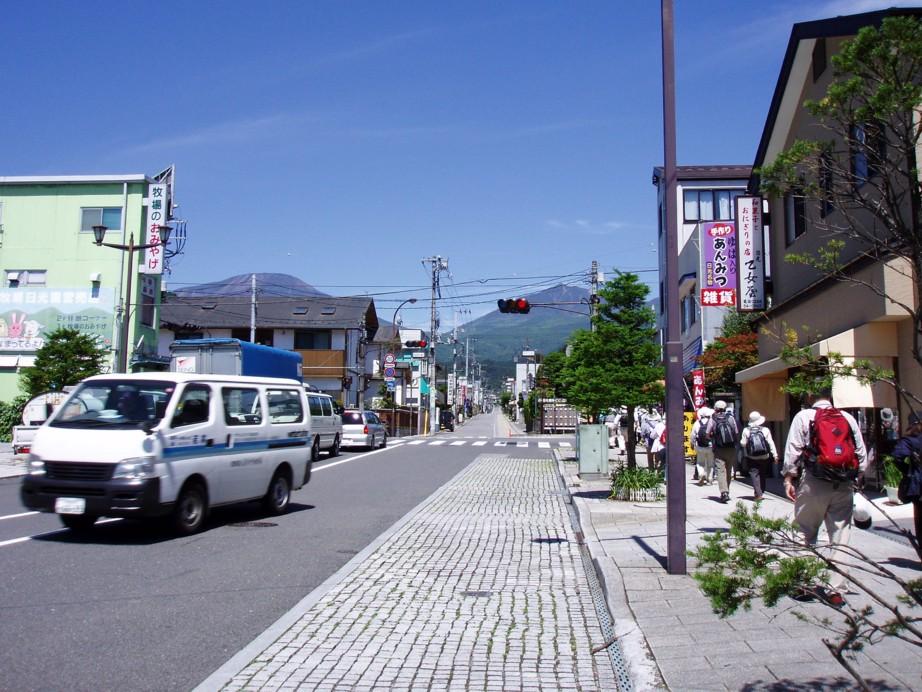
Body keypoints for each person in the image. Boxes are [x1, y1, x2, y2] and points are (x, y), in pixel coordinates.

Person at [782, 386, 867, 607]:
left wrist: (789, 478)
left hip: (814, 481)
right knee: (840, 536)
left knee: (805, 530)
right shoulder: (847, 418)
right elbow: (861, 454)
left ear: (810, 396)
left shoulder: (803, 417)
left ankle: (805, 583)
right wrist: (856, 477)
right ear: (830, 396)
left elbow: (793, 450)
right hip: (843, 483)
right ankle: (836, 590)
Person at [890, 411, 922, 547]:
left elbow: (897, 457)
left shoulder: (909, 441)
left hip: (919, 485)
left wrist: (908, 470)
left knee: (920, 521)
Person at [739, 411, 778, 500]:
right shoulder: (765, 430)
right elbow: (771, 442)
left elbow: (743, 444)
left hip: (751, 456)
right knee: (762, 473)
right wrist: (775, 455)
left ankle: (758, 493)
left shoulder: (746, 430)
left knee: (754, 473)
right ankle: (761, 491)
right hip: (764, 456)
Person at [707, 400, 739, 503]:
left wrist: (713, 437)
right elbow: (736, 432)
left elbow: (707, 434)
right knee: (728, 470)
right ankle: (727, 491)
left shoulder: (713, 419)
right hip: (731, 448)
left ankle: (724, 492)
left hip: (719, 448)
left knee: (720, 470)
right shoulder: (731, 418)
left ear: (715, 408)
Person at [690, 407, 715, 486]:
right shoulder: (712, 422)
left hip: (700, 446)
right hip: (710, 446)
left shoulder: (697, 423)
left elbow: (693, 435)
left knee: (700, 463)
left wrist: (692, 443)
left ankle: (701, 474)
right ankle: (709, 479)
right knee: (710, 463)